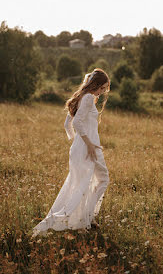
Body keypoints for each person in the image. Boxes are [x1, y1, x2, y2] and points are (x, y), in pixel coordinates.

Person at [31, 68, 110, 237]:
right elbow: (78, 124)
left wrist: (77, 142)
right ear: (96, 84)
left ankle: (86, 219)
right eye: (102, 88)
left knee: (84, 182)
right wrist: (87, 144)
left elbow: (68, 124)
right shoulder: (88, 98)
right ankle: (83, 219)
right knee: (99, 179)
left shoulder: (81, 97)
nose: (103, 91)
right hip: (89, 147)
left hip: (80, 148)